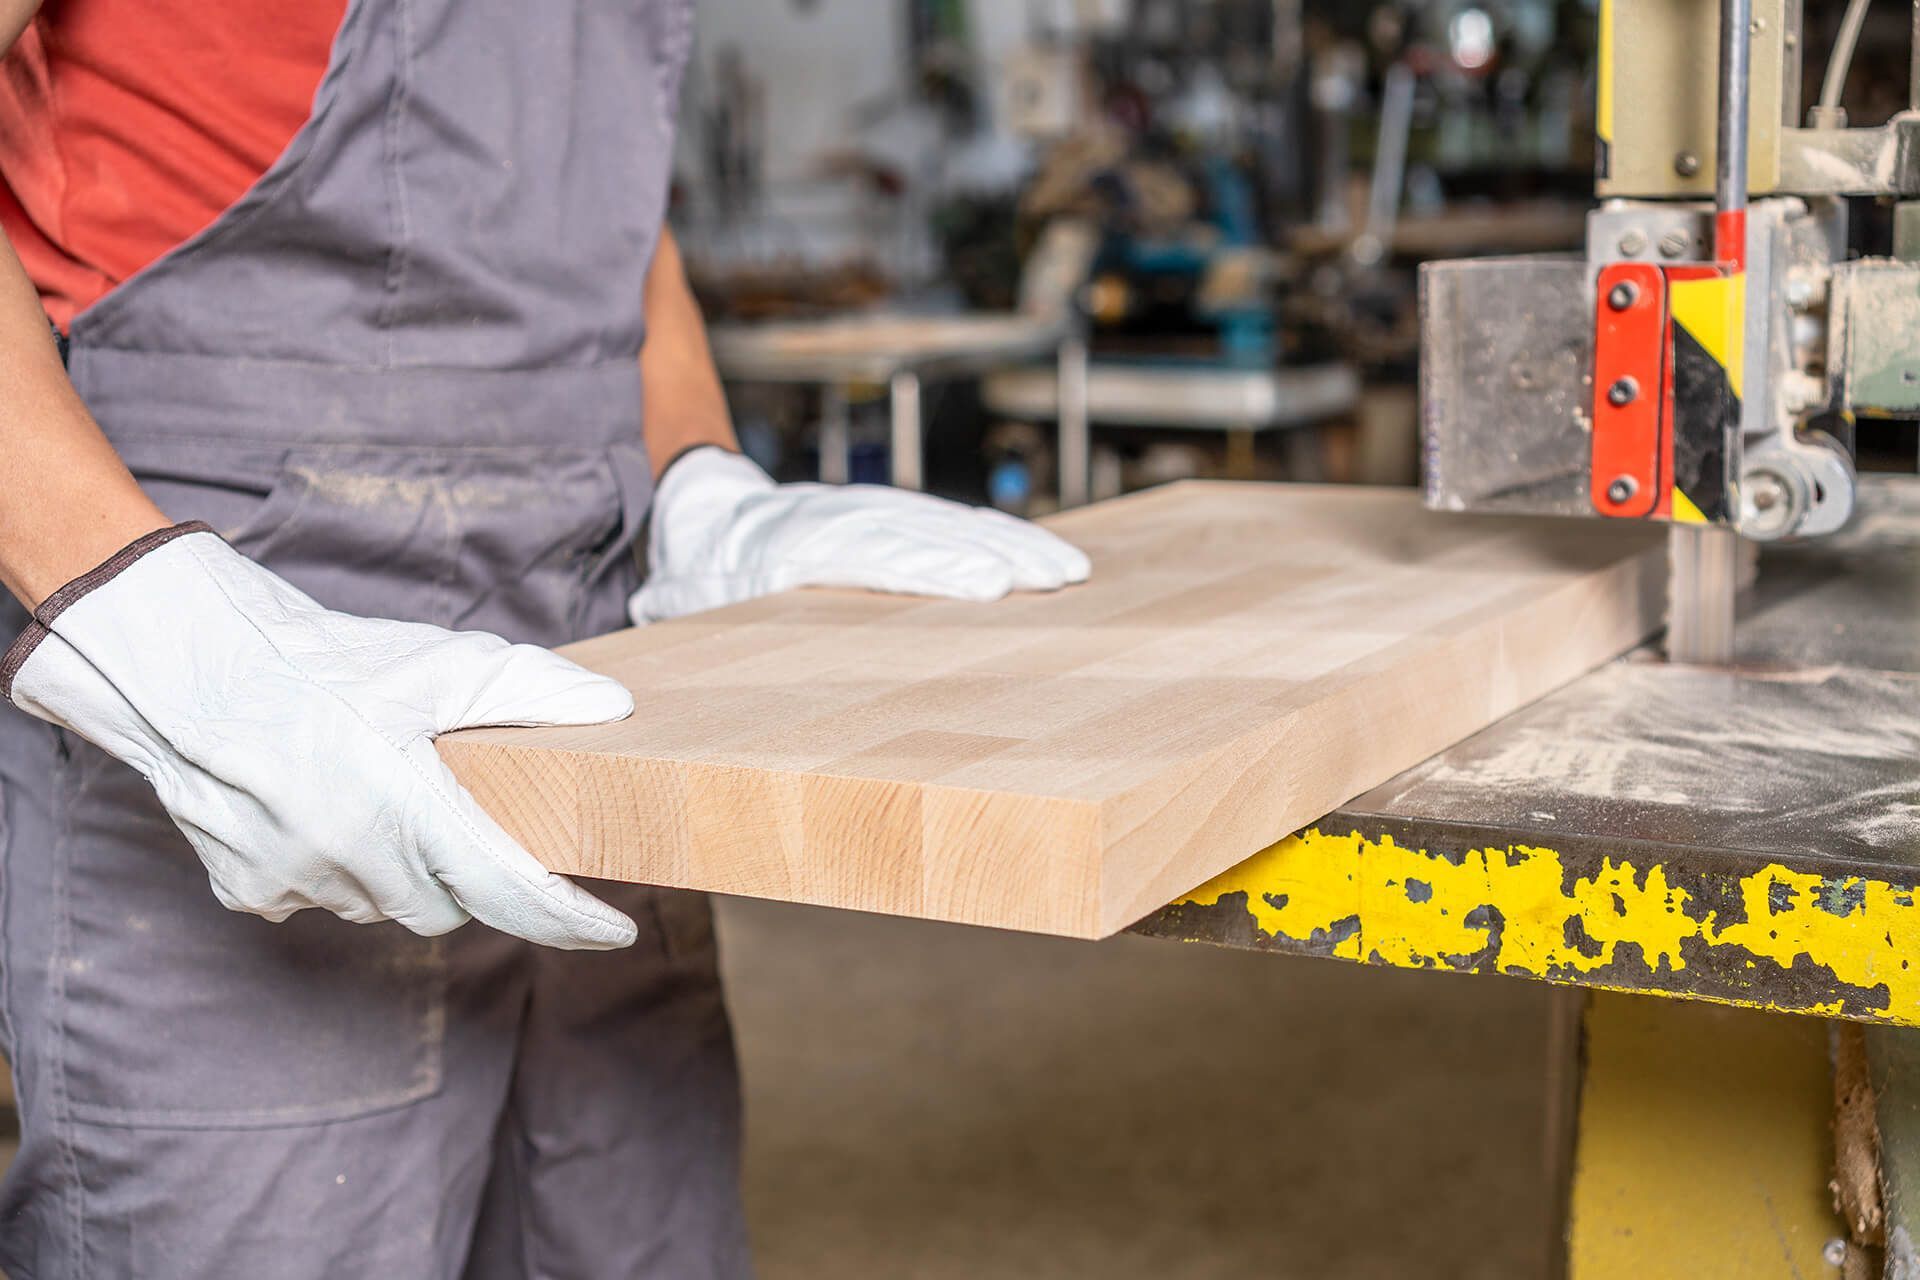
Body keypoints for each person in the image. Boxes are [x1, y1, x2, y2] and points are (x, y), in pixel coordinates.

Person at [0, 0, 1090, 1274]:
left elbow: (613, 208)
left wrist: (695, 473)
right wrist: (137, 608)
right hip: (250, 632)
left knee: (633, 1225)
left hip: (586, 638)